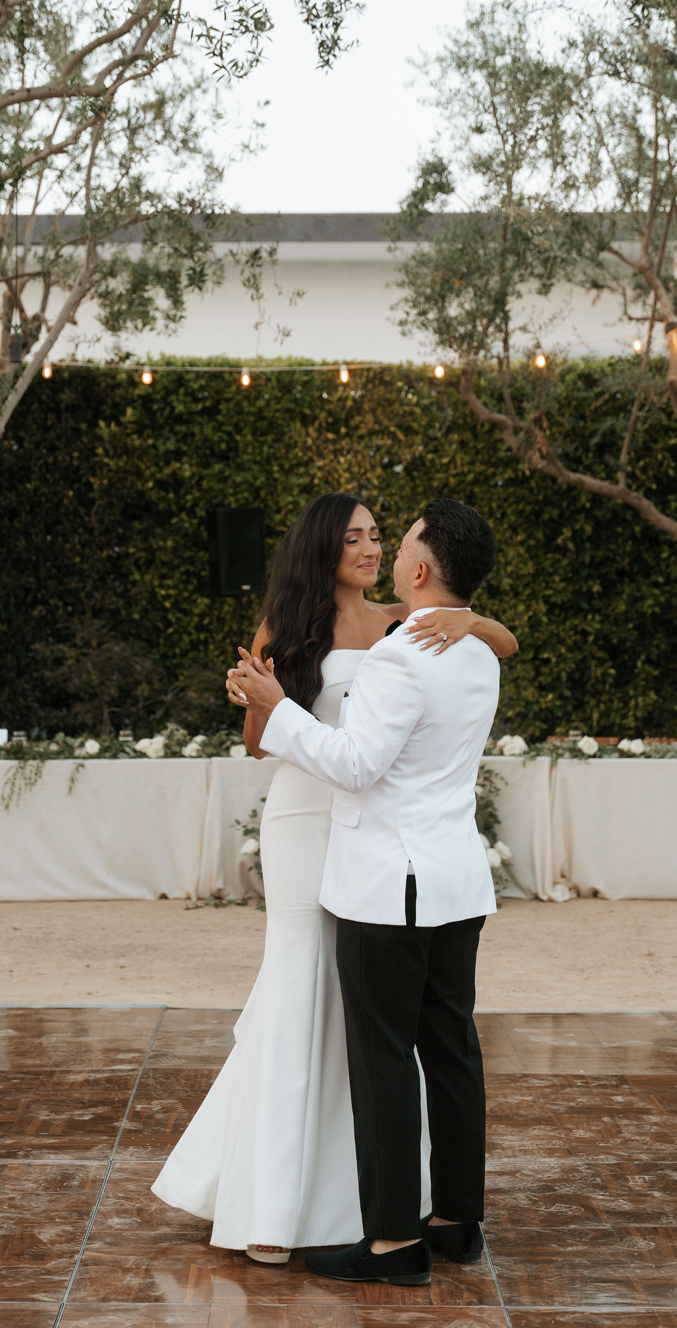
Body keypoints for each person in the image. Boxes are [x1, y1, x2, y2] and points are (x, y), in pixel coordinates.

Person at [151, 493, 516, 1262]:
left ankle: (378, 1221)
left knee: (379, 1033)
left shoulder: (407, 628)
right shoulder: (290, 624)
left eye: (382, 536)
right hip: (313, 819)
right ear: (322, 547)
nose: (373, 548)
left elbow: (370, 750)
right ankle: (280, 1202)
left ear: (418, 567)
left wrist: (470, 620)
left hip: (376, 832)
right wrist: (259, 700)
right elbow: (258, 742)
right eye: (355, 537)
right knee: (307, 988)